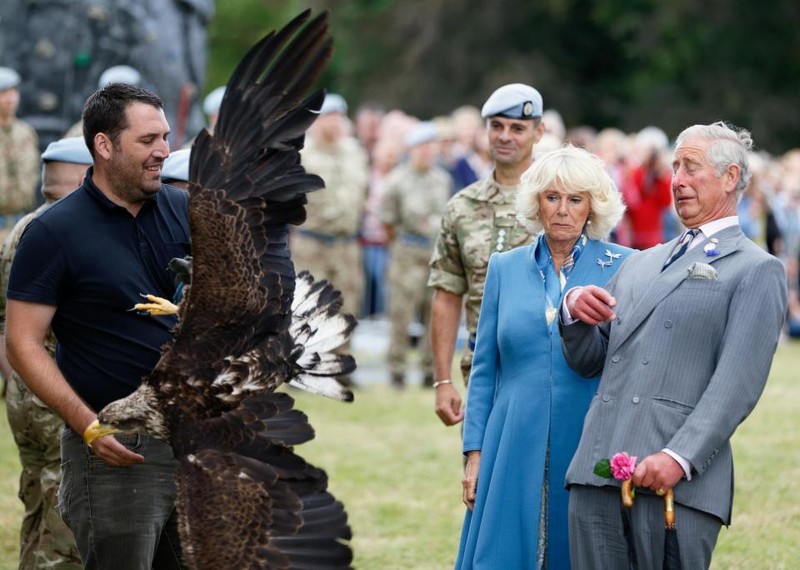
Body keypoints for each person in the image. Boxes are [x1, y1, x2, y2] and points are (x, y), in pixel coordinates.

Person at [560, 121, 788, 569]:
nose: (677, 179)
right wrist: (574, 314)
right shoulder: (640, 263)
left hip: (675, 487)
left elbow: (735, 386)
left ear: (729, 177)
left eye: (691, 167)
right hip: (596, 472)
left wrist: (678, 458)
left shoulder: (757, 270)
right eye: (675, 166)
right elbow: (589, 361)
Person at [6, 83, 190, 568]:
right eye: (148, 140)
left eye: (165, 137)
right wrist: (86, 424)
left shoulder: (186, 210)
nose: (163, 151)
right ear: (104, 145)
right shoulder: (53, 232)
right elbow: (23, 341)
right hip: (116, 450)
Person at [455, 145, 630, 569]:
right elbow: (484, 369)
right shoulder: (504, 267)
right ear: (536, 202)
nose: (563, 210)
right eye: (552, 197)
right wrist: (474, 452)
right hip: (511, 434)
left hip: (588, 432)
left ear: (593, 205)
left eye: (575, 199)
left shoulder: (624, 265)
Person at [428, 83, 544, 425]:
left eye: (517, 128)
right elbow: (447, 294)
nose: (505, 136)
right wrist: (442, 380)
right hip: (484, 364)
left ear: (539, 132)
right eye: (497, 126)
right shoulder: (462, 207)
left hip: (547, 362)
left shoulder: (558, 197)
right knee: (480, 471)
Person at [0, 137, 90, 569]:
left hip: (23, 391)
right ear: (84, 177)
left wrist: (15, 378)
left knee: (37, 501)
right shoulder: (67, 231)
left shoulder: (23, 227)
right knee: (66, 520)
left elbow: (4, 319)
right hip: (56, 390)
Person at [381, 121, 451, 389]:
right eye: (421, 147)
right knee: (401, 314)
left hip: (434, 252)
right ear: (411, 149)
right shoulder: (396, 180)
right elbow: (388, 221)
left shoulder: (441, 179)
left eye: (430, 146)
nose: (427, 152)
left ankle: (428, 370)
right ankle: (396, 370)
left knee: (433, 314)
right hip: (407, 252)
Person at [292, 92, 368, 321]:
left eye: (339, 116)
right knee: (308, 308)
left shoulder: (355, 152)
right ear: (317, 120)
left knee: (347, 308)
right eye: (329, 116)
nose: (335, 122)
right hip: (312, 244)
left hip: (347, 245)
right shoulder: (302, 155)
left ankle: (342, 355)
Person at [0, 66, 40, 242]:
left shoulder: (26, 133)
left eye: (14, 91)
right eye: (4, 92)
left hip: (20, 223)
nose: (11, 98)